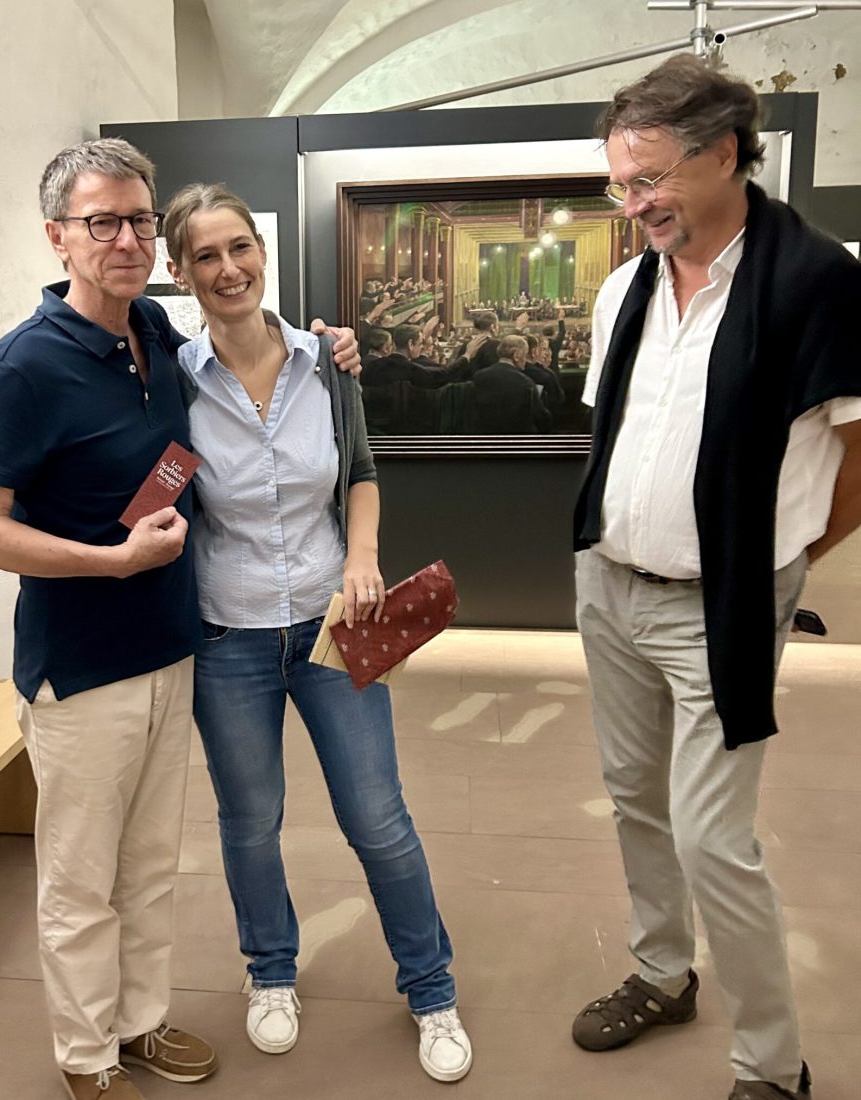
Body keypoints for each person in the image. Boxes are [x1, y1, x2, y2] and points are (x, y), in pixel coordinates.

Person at [0, 138, 359, 1100]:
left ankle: (140, 1025)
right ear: (59, 237)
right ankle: (87, 1057)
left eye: (139, 220)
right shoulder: (20, 368)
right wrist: (111, 561)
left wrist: (330, 345)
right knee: (80, 879)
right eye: (103, 222)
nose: (126, 238)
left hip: (172, 651)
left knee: (147, 869)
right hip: (79, 669)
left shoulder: (159, 340)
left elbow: (251, 341)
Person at [571, 55, 861, 1100]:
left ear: (725, 153)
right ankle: (660, 970)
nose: (632, 203)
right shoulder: (625, 285)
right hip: (608, 587)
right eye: (619, 183)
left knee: (711, 834)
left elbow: (857, 450)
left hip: (722, 605)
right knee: (631, 797)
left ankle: (772, 1065)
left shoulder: (819, 278)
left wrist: (784, 560)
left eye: (647, 179)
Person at [162, 182, 473, 1084]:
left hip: (337, 631)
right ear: (180, 273)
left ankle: (432, 990)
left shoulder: (325, 363)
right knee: (250, 823)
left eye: (240, 248)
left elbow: (363, 471)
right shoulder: (176, 384)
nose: (228, 270)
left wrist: (362, 555)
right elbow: (162, 489)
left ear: (262, 254)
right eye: (206, 257)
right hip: (230, 637)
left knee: (379, 821)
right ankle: (270, 973)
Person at [471, 334, 552, 434]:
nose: (525, 361)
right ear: (516, 356)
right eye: (525, 355)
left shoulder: (479, 376)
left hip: (485, 439)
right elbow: (541, 417)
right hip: (517, 440)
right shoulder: (525, 382)